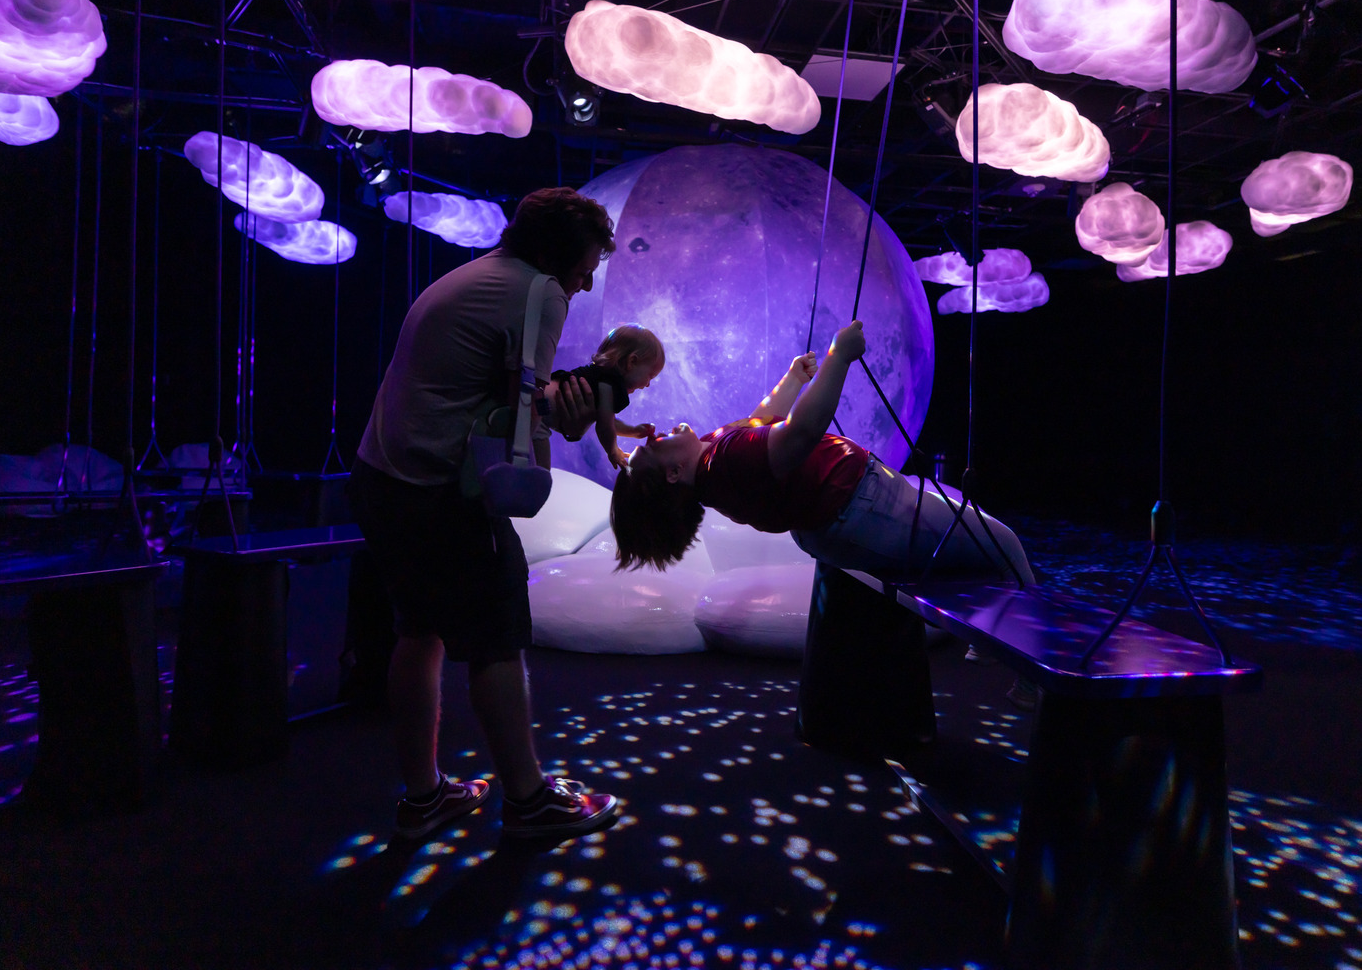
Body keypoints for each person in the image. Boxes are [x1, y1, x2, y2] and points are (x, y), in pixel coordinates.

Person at [348, 187, 623, 842]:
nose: (585, 285)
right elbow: (523, 412)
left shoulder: (476, 274)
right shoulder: (540, 292)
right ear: (557, 256)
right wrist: (575, 415)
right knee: (497, 637)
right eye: (584, 268)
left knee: (419, 631)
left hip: (380, 476)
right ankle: (528, 802)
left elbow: (493, 390)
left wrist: (550, 400)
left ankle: (424, 798)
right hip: (439, 488)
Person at [609, 320, 1037, 589]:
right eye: (649, 448)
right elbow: (800, 432)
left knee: (961, 562)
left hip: (848, 515)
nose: (651, 434)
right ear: (672, 473)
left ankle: (988, 638)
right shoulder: (724, 464)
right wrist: (839, 355)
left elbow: (760, 423)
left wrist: (793, 379)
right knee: (1001, 545)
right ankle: (1031, 674)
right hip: (865, 507)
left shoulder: (712, 463)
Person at [542, 324, 664, 471]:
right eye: (650, 376)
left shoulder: (601, 377)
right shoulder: (610, 384)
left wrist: (633, 431)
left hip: (538, 406)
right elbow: (605, 427)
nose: (648, 384)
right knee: (541, 470)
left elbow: (607, 420)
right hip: (535, 404)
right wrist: (613, 451)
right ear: (632, 361)